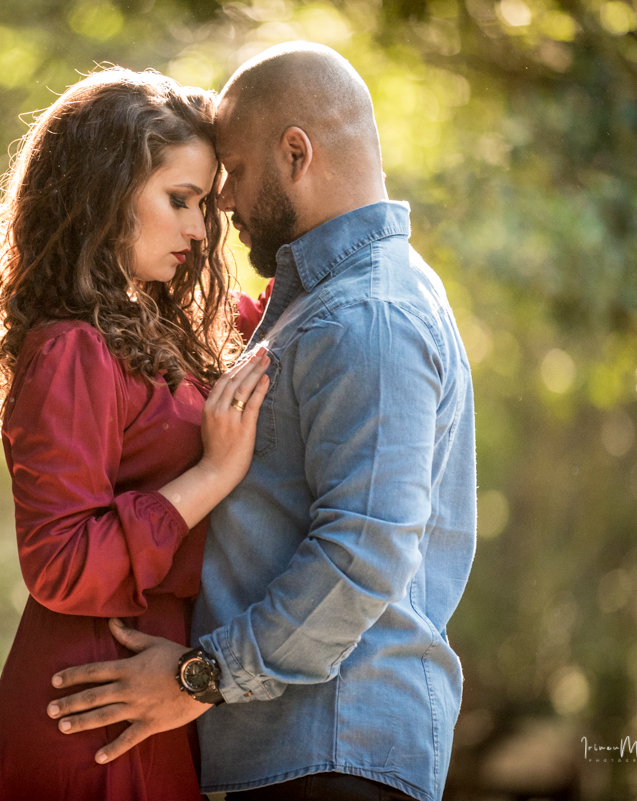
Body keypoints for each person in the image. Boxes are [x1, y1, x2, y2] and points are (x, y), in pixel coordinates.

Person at [47, 42, 478, 801]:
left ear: (295, 153)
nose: (224, 205)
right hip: (300, 750)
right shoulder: (331, 305)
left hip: (333, 751)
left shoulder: (369, 314)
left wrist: (198, 676)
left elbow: (362, 552)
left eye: (235, 174)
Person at [0, 67, 272, 800]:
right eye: (179, 201)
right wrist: (210, 475)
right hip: (91, 706)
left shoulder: (167, 329)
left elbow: (288, 319)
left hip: (158, 687)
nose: (200, 230)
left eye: (202, 205)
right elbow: (60, 563)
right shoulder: (71, 349)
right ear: (104, 194)